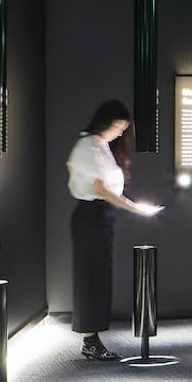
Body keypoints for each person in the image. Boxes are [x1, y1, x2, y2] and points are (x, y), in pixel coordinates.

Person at [67, 100, 163, 361]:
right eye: (118, 126)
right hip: (91, 216)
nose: (120, 132)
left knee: (98, 277)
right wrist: (136, 209)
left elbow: (110, 187)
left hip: (100, 217)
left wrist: (132, 206)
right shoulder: (88, 146)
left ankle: (93, 339)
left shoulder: (99, 146)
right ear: (105, 122)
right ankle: (90, 341)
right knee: (91, 278)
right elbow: (100, 188)